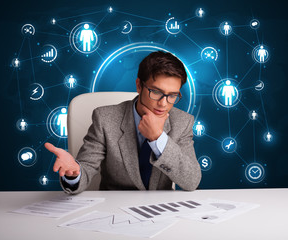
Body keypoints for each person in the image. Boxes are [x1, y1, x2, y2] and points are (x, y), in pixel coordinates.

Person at [44, 51, 201, 194]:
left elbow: (192, 181)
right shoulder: (105, 118)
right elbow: (86, 168)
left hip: (161, 211)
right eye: (156, 92)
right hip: (114, 210)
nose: (163, 104)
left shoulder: (183, 122)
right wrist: (74, 174)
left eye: (172, 95)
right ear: (139, 85)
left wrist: (158, 138)